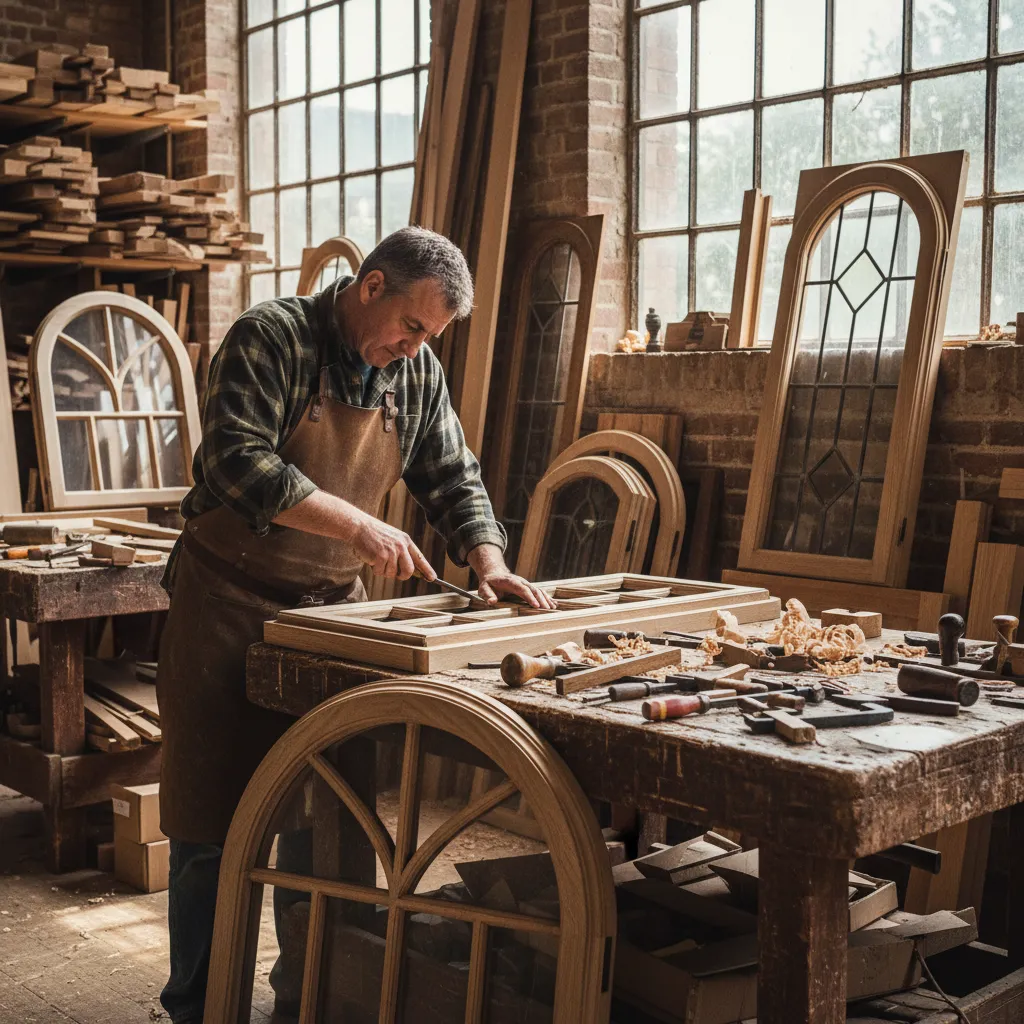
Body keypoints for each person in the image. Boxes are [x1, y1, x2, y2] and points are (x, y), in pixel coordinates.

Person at [155, 226, 554, 1023]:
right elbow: (234, 458)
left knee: (329, 816)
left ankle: (312, 999)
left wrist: (489, 560)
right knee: (212, 827)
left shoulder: (415, 374)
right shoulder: (270, 338)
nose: (413, 348)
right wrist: (359, 527)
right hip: (227, 605)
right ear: (370, 286)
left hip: (334, 616)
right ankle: (196, 1006)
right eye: (411, 326)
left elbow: (451, 473)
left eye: (429, 337)